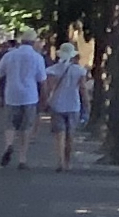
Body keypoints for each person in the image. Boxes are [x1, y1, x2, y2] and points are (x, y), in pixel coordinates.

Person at [0, 28, 48, 172]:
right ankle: (22, 158)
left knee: (10, 125)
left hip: (11, 95)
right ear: (34, 42)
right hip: (30, 96)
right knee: (26, 128)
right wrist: (44, 98)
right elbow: (42, 81)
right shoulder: (37, 58)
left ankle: (9, 145)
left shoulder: (10, 55)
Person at [38, 41, 88, 169]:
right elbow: (83, 89)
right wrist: (86, 105)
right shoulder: (80, 71)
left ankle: (60, 160)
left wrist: (44, 102)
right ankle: (67, 161)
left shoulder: (52, 70)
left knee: (59, 134)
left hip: (57, 104)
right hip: (73, 105)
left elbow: (49, 88)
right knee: (70, 135)